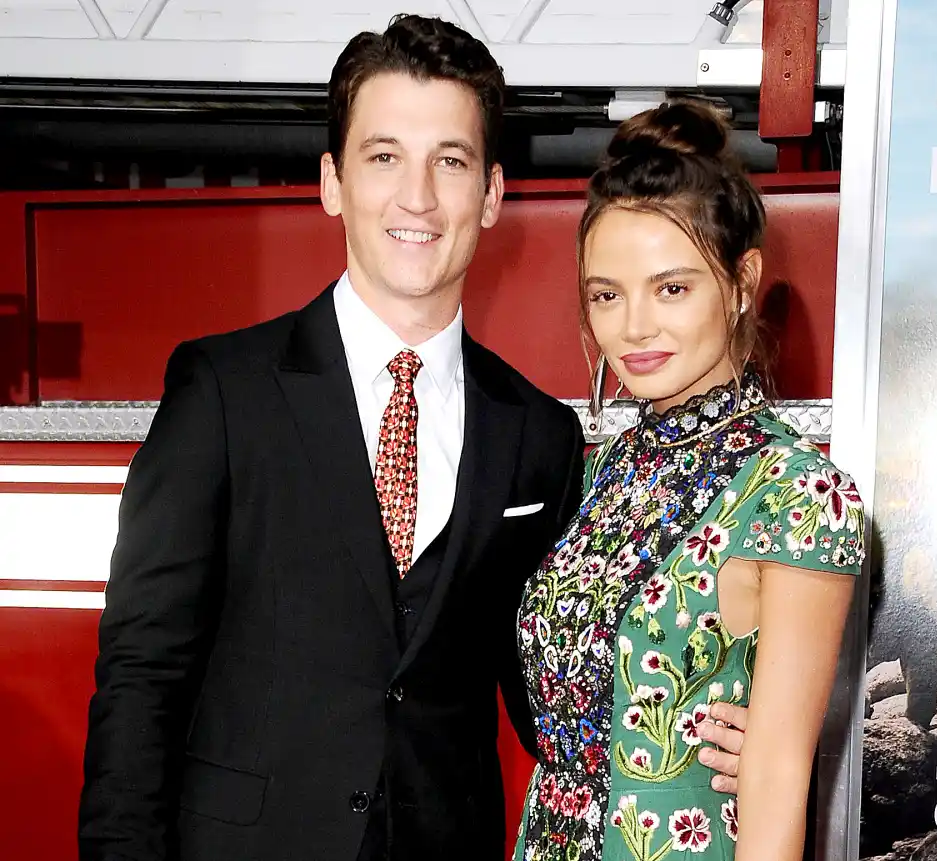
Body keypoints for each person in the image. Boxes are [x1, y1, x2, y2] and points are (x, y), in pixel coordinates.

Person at [76, 14, 750, 861]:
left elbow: (556, 682)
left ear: (494, 193)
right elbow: (142, 673)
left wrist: (707, 735)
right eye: (385, 156)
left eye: (451, 161)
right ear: (332, 181)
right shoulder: (222, 392)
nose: (419, 197)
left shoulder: (537, 432)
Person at [513, 101, 864, 861]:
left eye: (671, 288)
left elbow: (774, 778)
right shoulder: (601, 473)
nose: (633, 327)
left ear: (742, 281)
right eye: (607, 293)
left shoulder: (799, 492)